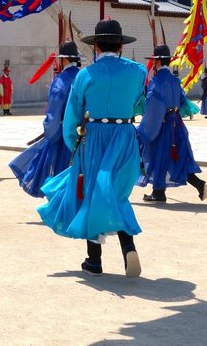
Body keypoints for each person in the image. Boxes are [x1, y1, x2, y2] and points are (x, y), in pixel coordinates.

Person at [36, 19, 146, 278]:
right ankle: (128, 245)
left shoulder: (85, 75)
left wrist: (74, 143)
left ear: (95, 46)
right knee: (116, 193)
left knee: (90, 192)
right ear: (120, 45)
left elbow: (73, 116)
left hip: (93, 136)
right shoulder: (138, 71)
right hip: (125, 135)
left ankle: (94, 260)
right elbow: (140, 104)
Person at [137, 45, 207, 203]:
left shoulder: (156, 82)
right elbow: (183, 101)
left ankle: (158, 192)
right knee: (176, 157)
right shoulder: (175, 80)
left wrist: (143, 130)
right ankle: (196, 184)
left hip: (161, 124)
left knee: (158, 156)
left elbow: (153, 108)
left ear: (157, 62)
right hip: (176, 123)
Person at [10, 41, 81, 197]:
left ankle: (59, 206)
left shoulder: (61, 80)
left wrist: (50, 131)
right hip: (83, 134)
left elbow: (54, 109)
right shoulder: (84, 76)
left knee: (57, 170)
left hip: (63, 134)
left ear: (64, 60)